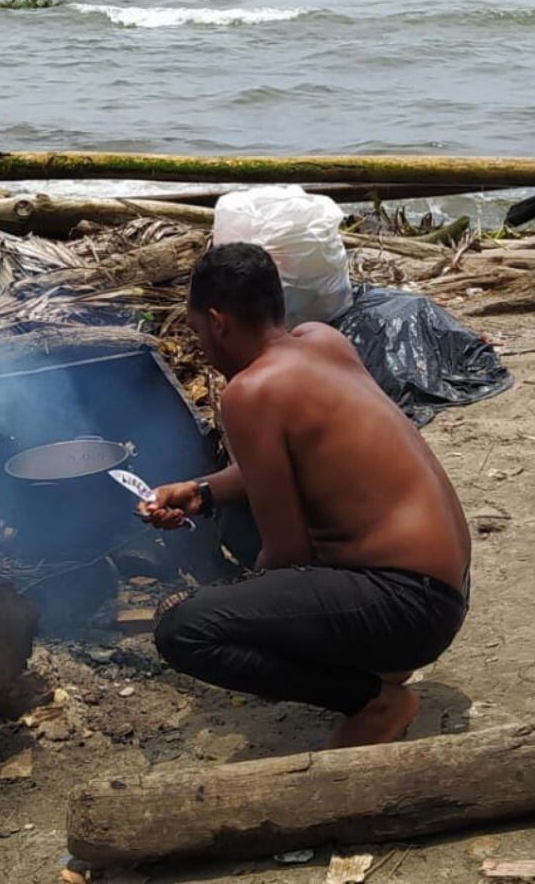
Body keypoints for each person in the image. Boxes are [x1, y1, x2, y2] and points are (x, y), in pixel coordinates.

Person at [141, 244, 471, 749]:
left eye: (197, 331)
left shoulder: (249, 393)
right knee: (236, 521)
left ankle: (374, 703)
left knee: (185, 630)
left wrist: (239, 604)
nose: (202, 344)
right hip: (445, 586)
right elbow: (286, 468)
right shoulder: (323, 341)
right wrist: (203, 492)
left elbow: (288, 552)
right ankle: (379, 662)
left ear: (218, 321)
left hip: (409, 607)